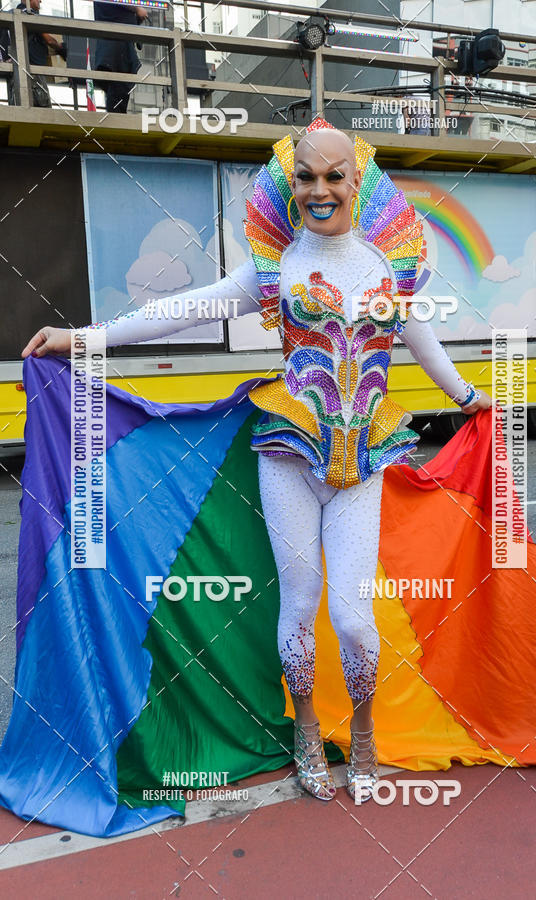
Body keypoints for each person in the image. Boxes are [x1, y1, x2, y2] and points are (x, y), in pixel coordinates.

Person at [22, 117, 497, 804]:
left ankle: (361, 732)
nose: (320, 189)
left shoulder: (391, 266)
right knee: (300, 602)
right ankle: (306, 729)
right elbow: (184, 310)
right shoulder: (275, 266)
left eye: (335, 175)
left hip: (362, 458)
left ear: (357, 180)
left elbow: (423, 341)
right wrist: (83, 338)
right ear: (290, 180)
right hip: (288, 453)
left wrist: (471, 397)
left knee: (355, 618)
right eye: (306, 176)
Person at [7, 0, 66, 108]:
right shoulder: (29, 14)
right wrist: (61, 48)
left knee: (19, 108)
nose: (40, 1)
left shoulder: (9, 15)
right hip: (32, 71)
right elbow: (49, 40)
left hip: (14, 74)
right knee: (43, 109)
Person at [92, 1, 147, 113]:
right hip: (115, 45)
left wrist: (136, 17)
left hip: (117, 45)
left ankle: (116, 117)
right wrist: (137, 9)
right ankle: (115, 119)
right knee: (118, 86)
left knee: (120, 88)